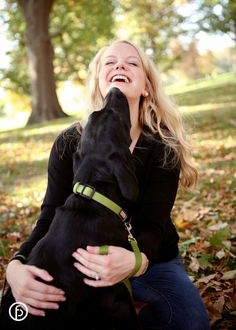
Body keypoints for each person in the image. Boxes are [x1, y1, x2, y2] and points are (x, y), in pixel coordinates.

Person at [2, 40, 211, 329]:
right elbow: (49, 216)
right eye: (110, 63)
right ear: (99, 82)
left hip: (149, 262)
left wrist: (136, 262)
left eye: (131, 62)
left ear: (146, 86)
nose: (120, 66)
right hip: (83, 258)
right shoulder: (69, 142)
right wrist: (16, 266)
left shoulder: (163, 147)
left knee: (191, 323)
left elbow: (153, 226)